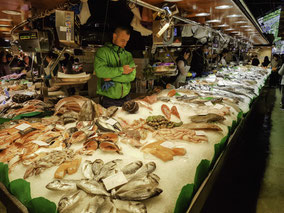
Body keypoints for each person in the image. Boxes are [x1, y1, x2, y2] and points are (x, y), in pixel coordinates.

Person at [94, 26, 136, 108]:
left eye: (127, 41)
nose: (125, 44)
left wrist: (112, 78)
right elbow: (100, 71)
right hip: (109, 100)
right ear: (114, 36)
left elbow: (131, 76)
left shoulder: (128, 55)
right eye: (122, 40)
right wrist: (122, 70)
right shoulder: (102, 52)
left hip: (127, 98)